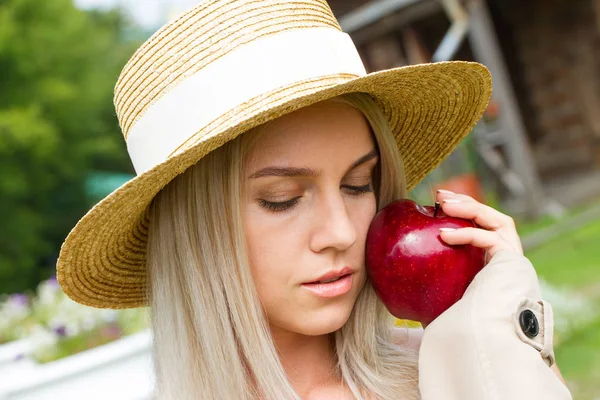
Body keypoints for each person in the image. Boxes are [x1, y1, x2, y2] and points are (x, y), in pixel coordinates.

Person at [56, 1, 573, 399]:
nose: (342, 232)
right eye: (282, 199)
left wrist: (506, 330)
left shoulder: (452, 369)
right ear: (193, 232)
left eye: (358, 185)